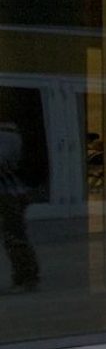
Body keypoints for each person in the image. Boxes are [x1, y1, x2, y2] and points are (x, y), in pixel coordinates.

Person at [0, 117, 38, 294]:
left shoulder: (6, 134)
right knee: (14, 234)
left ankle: (27, 275)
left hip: (7, 193)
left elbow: (3, 161)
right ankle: (24, 274)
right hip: (12, 191)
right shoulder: (11, 132)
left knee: (13, 235)